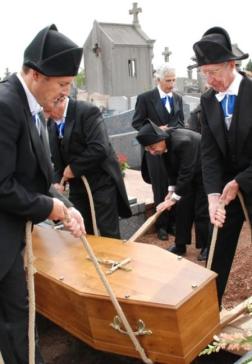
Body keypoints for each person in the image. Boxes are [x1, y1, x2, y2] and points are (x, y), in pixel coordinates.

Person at [0, 24, 85, 364]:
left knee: (19, 318)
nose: (64, 94)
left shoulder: (30, 108)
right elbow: (2, 185)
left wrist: (66, 207)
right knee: (15, 321)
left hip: (11, 239)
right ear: (36, 74)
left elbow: (36, 178)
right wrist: (50, 207)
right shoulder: (6, 106)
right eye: (62, 85)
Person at [191, 26, 251, 304]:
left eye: (214, 72)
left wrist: (241, 181)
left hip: (248, 177)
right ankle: (207, 315)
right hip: (226, 187)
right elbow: (209, 152)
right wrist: (213, 197)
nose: (209, 79)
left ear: (231, 65)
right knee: (218, 248)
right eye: (204, 73)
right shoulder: (207, 100)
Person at [46, 96, 132, 239]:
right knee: (82, 230)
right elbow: (57, 158)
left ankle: (113, 259)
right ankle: (90, 260)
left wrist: (74, 168)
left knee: (108, 232)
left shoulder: (87, 111)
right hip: (77, 186)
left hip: (101, 182)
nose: (44, 112)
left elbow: (100, 147)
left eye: (46, 108)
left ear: (59, 100)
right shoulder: (51, 122)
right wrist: (57, 181)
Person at [136, 119, 210, 260]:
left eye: (152, 147)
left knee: (202, 211)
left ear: (161, 138)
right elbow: (171, 170)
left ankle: (206, 246)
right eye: (148, 150)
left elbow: (186, 172)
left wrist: (173, 198)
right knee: (182, 209)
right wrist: (170, 192)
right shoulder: (163, 146)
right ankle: (180, 244)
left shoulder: (183, 142)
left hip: (203, 174)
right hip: (186, 176)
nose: (152, 152)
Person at [132, 63, 184, 241]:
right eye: (168, 80)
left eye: (173, 80)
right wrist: (154, 129)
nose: (172, 84)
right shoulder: (145, 98)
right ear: (158, 80)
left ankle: (174, 224)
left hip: (173, 150)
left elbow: (181, 123)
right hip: (154, 151)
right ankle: (162, 226)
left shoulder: (178, 98)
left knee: (175, 185)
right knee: (160, 187)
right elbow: (137, 122)